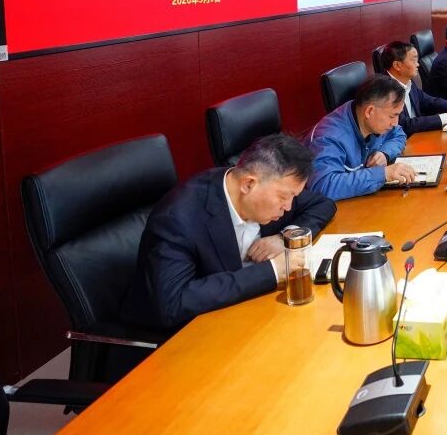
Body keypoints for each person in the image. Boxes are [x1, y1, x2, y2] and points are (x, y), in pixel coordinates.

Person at [121, 134, 338, 332]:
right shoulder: (177, 219)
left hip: (245, 313)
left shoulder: (270, 186)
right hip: (186, 335)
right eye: (284, 198)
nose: (288, 207)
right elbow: (173, 303)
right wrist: (272, 271)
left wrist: (284, 237)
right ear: (248, 184)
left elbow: (322, 204)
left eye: (293, 197)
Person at [305, 75, 416, 200]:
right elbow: (323, 186)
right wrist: (383, 174)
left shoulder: (373, 120)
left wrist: (384, 153)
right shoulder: (328, 137)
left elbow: (398, 134)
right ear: (369, 111)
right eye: (392, 116)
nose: (395, 123)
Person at [379, 41, 447, 134]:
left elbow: (427, 100)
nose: (418, 64)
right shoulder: (385, 91)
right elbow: (405, 125)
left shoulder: (407, 81)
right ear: (397, 65)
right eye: (413, 61)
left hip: (417, 135)